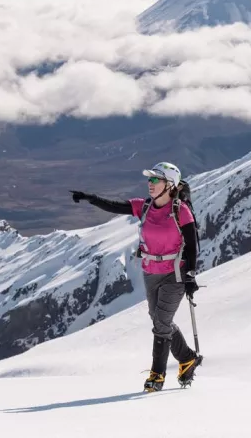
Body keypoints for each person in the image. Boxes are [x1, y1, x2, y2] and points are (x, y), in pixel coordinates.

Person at [70, 161, 202, 392]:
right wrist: (90, 197)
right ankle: (187, 357)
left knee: (161, 323)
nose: (149, 184)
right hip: (151, 272)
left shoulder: (181, 211)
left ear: (169, 184)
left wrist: (190, 276)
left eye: (155, 180)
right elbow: (116, 206)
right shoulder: (145, 207)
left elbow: (192, 246)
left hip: (176, 274)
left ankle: (156, 376)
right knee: (158, 318)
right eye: (149, 179)